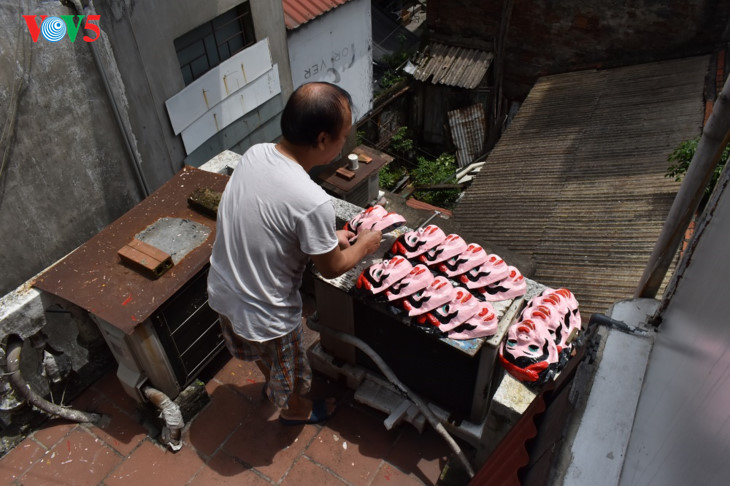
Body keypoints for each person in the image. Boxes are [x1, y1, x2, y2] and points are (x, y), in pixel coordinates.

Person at [207, 82, 382, 425]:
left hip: (223, 291)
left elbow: (272, 221)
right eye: (343, 135)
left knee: (264, 355)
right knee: (290, 371)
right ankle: (295, 409)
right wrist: (365, 244)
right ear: (322, 140)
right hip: (266, 315)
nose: (346, 141)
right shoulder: (312, 200)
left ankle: (275, 384)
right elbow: (332, 268)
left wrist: (326, 237)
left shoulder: (256, 154)